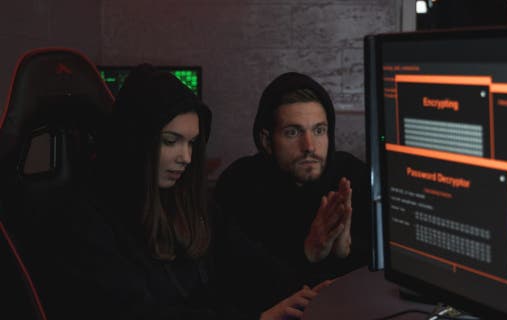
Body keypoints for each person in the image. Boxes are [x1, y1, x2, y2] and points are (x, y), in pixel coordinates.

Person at [32, 64, 323, 320]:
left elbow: (248, 260)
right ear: (137, 141)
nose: (185, 156)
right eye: (171, 141)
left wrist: (307, 292)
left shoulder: (186, 201)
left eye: (192, 143)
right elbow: (135, 314)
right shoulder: (84, 219)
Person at [214, 72, 372, 315]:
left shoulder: (352, 177)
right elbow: (235, 283)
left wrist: (346, 253)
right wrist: (307, 252)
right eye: (293, 132)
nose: (309, 146)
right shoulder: (239, 185)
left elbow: (389, 273)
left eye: (319, 130)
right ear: (267, 141)